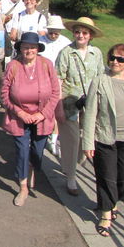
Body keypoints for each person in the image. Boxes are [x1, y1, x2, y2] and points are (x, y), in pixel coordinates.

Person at [82, 44, 124, 237]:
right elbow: (90, 113)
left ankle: (111, 202)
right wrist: (88, 142)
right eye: (112, 58)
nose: (115, 62)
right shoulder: (100, 81)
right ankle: (105, 214)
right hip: (105, 138)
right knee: (107, 177)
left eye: (120, 59)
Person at [0, 32, 60, 206]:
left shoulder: (47, 65)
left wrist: (43, 114)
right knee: (22, 152)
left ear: (37, 49)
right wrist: (19, 112)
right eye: (25, 47)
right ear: (20, 48)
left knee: (37, 152)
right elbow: (4, 94)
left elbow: (55, 93)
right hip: (19, 116)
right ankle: (23, 186)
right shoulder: (13, 66)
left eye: (32, 47)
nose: (29, 50)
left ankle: (32, 167)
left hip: (42, 117)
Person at [55, 16, 104, 196]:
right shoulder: (66, 52)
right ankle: (71, 177)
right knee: (72, 140)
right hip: (69, 102)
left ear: (90, 35)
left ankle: (71, 165)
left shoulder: (96, 53)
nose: (80, 35)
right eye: (77, 32)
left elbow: (100, 79)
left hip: (90, 103)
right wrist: (58, 106)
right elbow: (58, 79)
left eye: (84, 32)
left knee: (87, 139)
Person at [38, 15, 71, 156]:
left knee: (56, 108)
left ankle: (53, 138)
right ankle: (41, 132)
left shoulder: (66, 44)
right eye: (51, 32)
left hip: (58, 80)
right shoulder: (40, 41)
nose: (53, 35)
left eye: (56, 32)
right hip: (41, 80)